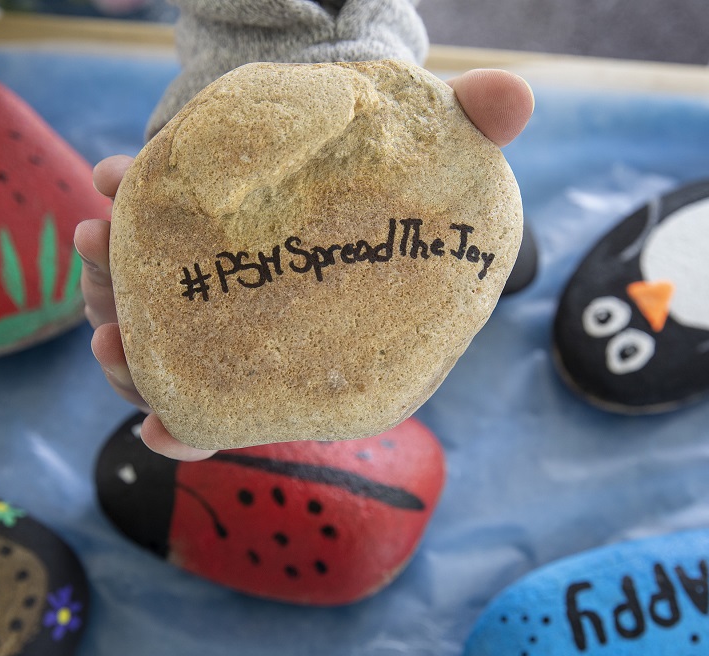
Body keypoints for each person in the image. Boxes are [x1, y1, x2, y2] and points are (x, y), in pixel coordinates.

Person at [74, 0, 535, 461]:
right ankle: (468, 243)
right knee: (478, 225)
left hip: (407, 162)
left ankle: (467, 245)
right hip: (285, 124)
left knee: (477, 238)